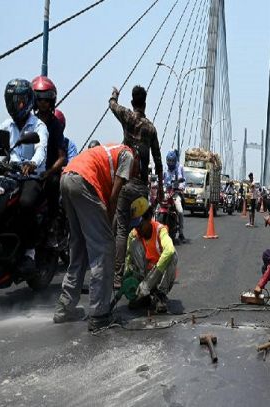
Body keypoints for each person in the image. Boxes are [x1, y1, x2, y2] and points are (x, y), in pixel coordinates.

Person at [53, 143, 137, 331]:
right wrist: (108, 222)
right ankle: (99, 314)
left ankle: (65, 308)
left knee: (79, 246)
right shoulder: (128, 155)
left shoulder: (108, 149)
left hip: (67, 178)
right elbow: (114, 195)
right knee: (105, 247)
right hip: (84, 182)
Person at [109, 85, 164, 288]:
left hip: (125, 182)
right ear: (145, 103)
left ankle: (117, 276)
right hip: (141, 186)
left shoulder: (127, 117)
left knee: (122, 230)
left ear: (133, 103)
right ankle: (142, 272)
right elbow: (158, 159)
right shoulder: (150, 128)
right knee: (142, 229)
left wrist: (114, 95)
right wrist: (161, 188)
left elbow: (112, 105)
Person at [0, 79, 48, 271]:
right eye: (10, 101)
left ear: (27, 101)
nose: (14, 105)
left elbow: (41, 149)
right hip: (10, 176)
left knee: (26, 204)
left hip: (31, 176)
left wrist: (32, 163)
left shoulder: (38, 126)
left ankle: (29, 253)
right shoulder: (5, 126)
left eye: (18, 101)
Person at [123, 197, 177, 313]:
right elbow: (128, 259)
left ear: (148, 218)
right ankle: (144, 296)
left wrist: (151, 280)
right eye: (135, 226)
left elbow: (170, 250)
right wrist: (127, 278)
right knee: (133, 244)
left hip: (160, 276)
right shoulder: (134, 236)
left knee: (172, 255)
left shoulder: (160, 230)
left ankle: (160, 295)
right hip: (143, 276)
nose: (138, 229)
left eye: (140, 225)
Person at [32, 76, 66, 228]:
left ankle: (52, 224)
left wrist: (49, 172)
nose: (43, 102)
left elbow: (62, 157)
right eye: (39, 98)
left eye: (46, 99)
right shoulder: (30, 122)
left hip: (48, 173)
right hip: (31, 170)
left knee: (53, 184)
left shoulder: (55, 125)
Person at [163, 150, 186, 244]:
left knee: (180, 211)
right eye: (169, 161)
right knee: (155, 207)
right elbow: (161, 179)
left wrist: (181, 186)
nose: (171, 163)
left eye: (172, 161)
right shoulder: (164, 169)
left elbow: (184, 181)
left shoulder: (179, 168)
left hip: (176, 193)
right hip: (166, 192)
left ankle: (181, 232)